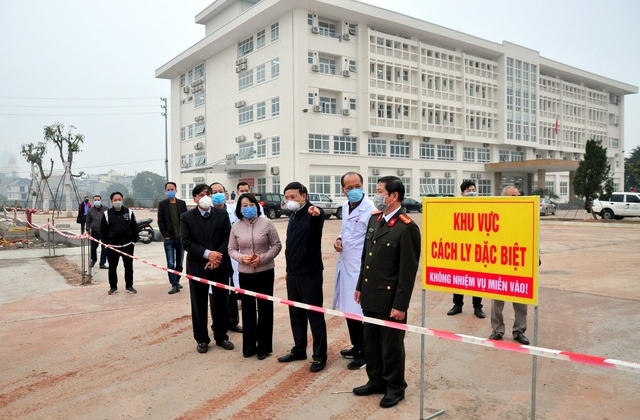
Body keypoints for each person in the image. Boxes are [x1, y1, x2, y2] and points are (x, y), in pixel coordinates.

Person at [352, 176, 421, 408]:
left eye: (380, 191)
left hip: (390, 299)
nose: (376, 195)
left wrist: (400, 305)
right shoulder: (375, 219)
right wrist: (360, 286)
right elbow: (366, 257)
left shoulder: (407, 227)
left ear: (394, 196)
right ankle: (376, 381)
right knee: (371, 342)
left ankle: (395, 387)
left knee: (391, 346)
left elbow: (407, 272)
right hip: (371, 294)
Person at [277, 182, 328, 372]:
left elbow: (318, 217)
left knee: (314, 315)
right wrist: (288, 270)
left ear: (304, 196)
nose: (289, 200)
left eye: (293, 197)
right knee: (296, 314)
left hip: (310, 274)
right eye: (286, 197)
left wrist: (317, 213)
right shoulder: (294, 214)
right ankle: (299, 349)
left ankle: (319, 356)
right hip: (293, 274)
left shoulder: (311, 212)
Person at [180, 183, 234, 354]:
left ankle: (221, 336)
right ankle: (202, 339)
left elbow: (228, 237)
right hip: (198, 266)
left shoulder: (221, 214)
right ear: (195, 199)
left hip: (220, 263)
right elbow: (186, 243)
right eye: (201, 195)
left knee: (221, 302)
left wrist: (217, 255)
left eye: (208, 194)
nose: (205, 198)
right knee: (199, 304)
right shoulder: (187, 217)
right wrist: (207, 254)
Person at [228, 193, 282, 359]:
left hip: (265, 272)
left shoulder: (267, 223)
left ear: (257, 206)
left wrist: (263, 258)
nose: (248, 208)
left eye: (251, 204)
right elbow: (231, 249)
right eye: (244, 206)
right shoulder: (236, 227)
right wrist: (241, 258)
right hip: (245, 274)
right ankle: (249, 346)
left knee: (265, 309)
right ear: (239, 209)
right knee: (248, 309)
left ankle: (264, 347)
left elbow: (277, 245)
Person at [333, 172, 375, 370]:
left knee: (359, 311)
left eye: (357, 186)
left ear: (363, 185)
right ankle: (357, 346)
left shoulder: (371, 210)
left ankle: (365, 353)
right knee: (349, 310)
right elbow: (345, 231)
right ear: (343, 190)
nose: (354, 190)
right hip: (346, 264)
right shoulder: (344, 206)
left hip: (360, 267)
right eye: (350, 188)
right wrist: (339, 239)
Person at [489, 185, 530, 345]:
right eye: (513, 196)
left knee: (520, 299)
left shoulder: (526, 214)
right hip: (500, 261)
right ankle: (497, 329)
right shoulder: (496, 214)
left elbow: (531, 235)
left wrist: (536, 255)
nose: (517, 198)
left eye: (518, 195)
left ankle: (519, 330)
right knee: (497, 300)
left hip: (519, 262)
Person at [446, 180, 486, 319]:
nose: (472, 193)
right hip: (460, 250)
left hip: (476, 249)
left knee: (477, 278)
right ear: (462, 193)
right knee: (458, 278)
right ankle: (457, 305)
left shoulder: (481, 207)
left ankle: (477, 306)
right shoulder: (456, 207)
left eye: (474, 190)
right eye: (469, 191)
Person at [211, 182, 242, 333]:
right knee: (216, 293)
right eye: (214, 192)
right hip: (215, 255)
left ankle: (233, 321)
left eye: (220, 191)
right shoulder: (208, 212)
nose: (217, 194)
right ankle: (218, 324)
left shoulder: (233, 211)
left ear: (225, 193)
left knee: (232, 290)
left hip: (233, 255)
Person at [100, 192, 138, 295]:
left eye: (119, 199)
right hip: (112, 247)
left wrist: (133, 242)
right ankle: (113, 287)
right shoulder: (106, 214)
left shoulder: (129, 212)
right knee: (112, 268)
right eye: (115, 200)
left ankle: (129, 286)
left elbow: (135, 228)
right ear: (111, 201)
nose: (118, 202)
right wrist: (106, 244)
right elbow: (103, 231)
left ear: (122, 200)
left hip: (127, 245)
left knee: (129, 267)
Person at [158, 182, 188, 294]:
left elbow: (186, 219)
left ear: (176, 190)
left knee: (179, 263)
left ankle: (177, 280)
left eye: (172, 189)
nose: (170, 191)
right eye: (168, 189)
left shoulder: (182, 203)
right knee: (170, 263)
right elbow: (160, 220)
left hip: (181, 238)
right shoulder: (162, 204)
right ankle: (174, 284)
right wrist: (164, 234)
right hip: (169, 239)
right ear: (165, 191)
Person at [85, 194, 108, 269]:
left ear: (101, 200)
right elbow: (88, 221)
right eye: (95, 200)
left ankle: (102, 263)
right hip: (95, 232)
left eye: (98, 200)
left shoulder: (106, 209)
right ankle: (94, 260)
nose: (97, 201)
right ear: (93, 201)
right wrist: (87, 230)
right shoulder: (90, 210)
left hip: (104, 232)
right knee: (93, 248)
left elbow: (110, 220)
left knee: (104, 249)